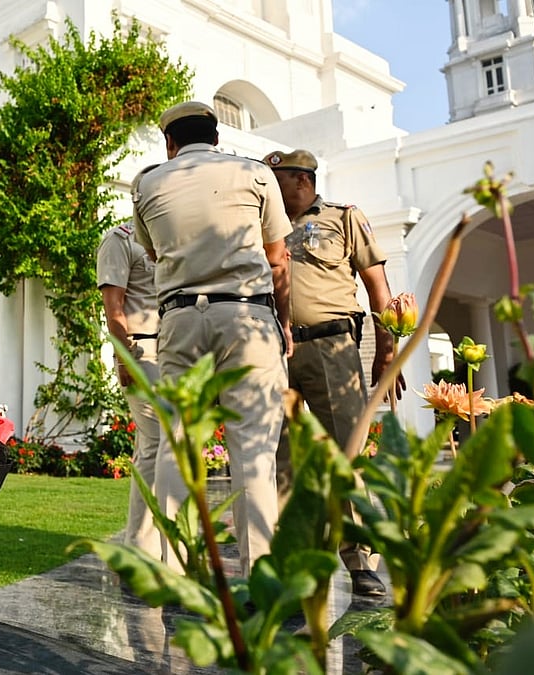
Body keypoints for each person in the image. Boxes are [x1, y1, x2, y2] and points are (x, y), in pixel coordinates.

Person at [132, 101, 292, 577]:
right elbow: (277, 257)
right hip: (246, 314)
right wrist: (283, 323)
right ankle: (260, 573)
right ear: (217, 137)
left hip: (180, 318)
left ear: (170, 142)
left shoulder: (147, 185)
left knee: (177, 444)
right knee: (253, 448)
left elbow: (153, 251)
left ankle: (176, 571)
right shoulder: (256, 175)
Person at [263, 148, 405, 598]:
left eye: (277, 180)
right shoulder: (262, 225)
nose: (269, 189)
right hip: (274, 350)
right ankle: (290, 562)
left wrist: (387, 351)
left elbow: (378, 287)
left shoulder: (344, 217)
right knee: (280, 458)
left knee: (346, 452)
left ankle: (360, 560)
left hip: (332, 347)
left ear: (302, 180)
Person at [97, 186, 162, 558]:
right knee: (160, 444)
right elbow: (114, 307)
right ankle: (146, 549)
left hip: (176, 349)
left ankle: (143, 546)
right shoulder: (120, 239)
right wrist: (124, 359)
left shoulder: (171, 237)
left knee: (154, 449)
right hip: (142, 348)